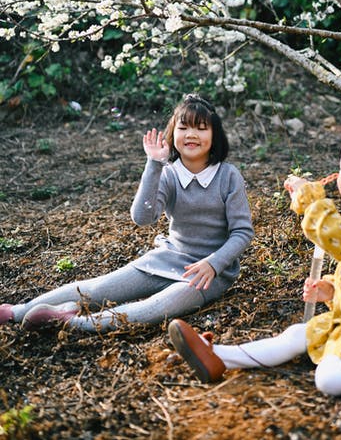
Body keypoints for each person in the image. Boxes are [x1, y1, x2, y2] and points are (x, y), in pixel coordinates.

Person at [167, 131, 341, 420]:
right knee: (297, 334)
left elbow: (336, 235)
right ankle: (217, 356)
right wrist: (330, 291)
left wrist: (310, 200)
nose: (336, 174)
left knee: (328, 378)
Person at [0, 94, 254, 332]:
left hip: (209, 273)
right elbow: (142, 218)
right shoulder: (168, 173)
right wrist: (154, 165)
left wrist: (214, 263)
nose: (191, 135)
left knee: (159, 307)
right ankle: (17, 312)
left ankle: (74, 322)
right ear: (172, 133)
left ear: (214, 135)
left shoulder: (228, 176)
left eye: (201, 128)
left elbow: (242, 232)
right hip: (167, 258)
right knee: (98, 287)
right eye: (184, 127)